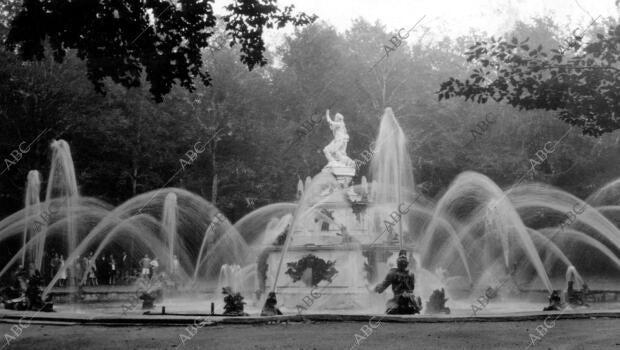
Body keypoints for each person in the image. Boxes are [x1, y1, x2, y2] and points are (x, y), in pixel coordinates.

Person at [374, 250, 422, 314]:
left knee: (392, 307)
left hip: (402, 299)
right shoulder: (408, 274)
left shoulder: (396, 273)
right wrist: (379, 288)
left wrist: (378, 288)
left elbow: (384, 285)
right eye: (401, 263)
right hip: (404, 300)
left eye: (403, 263)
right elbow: (412, 288)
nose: (402, 265)